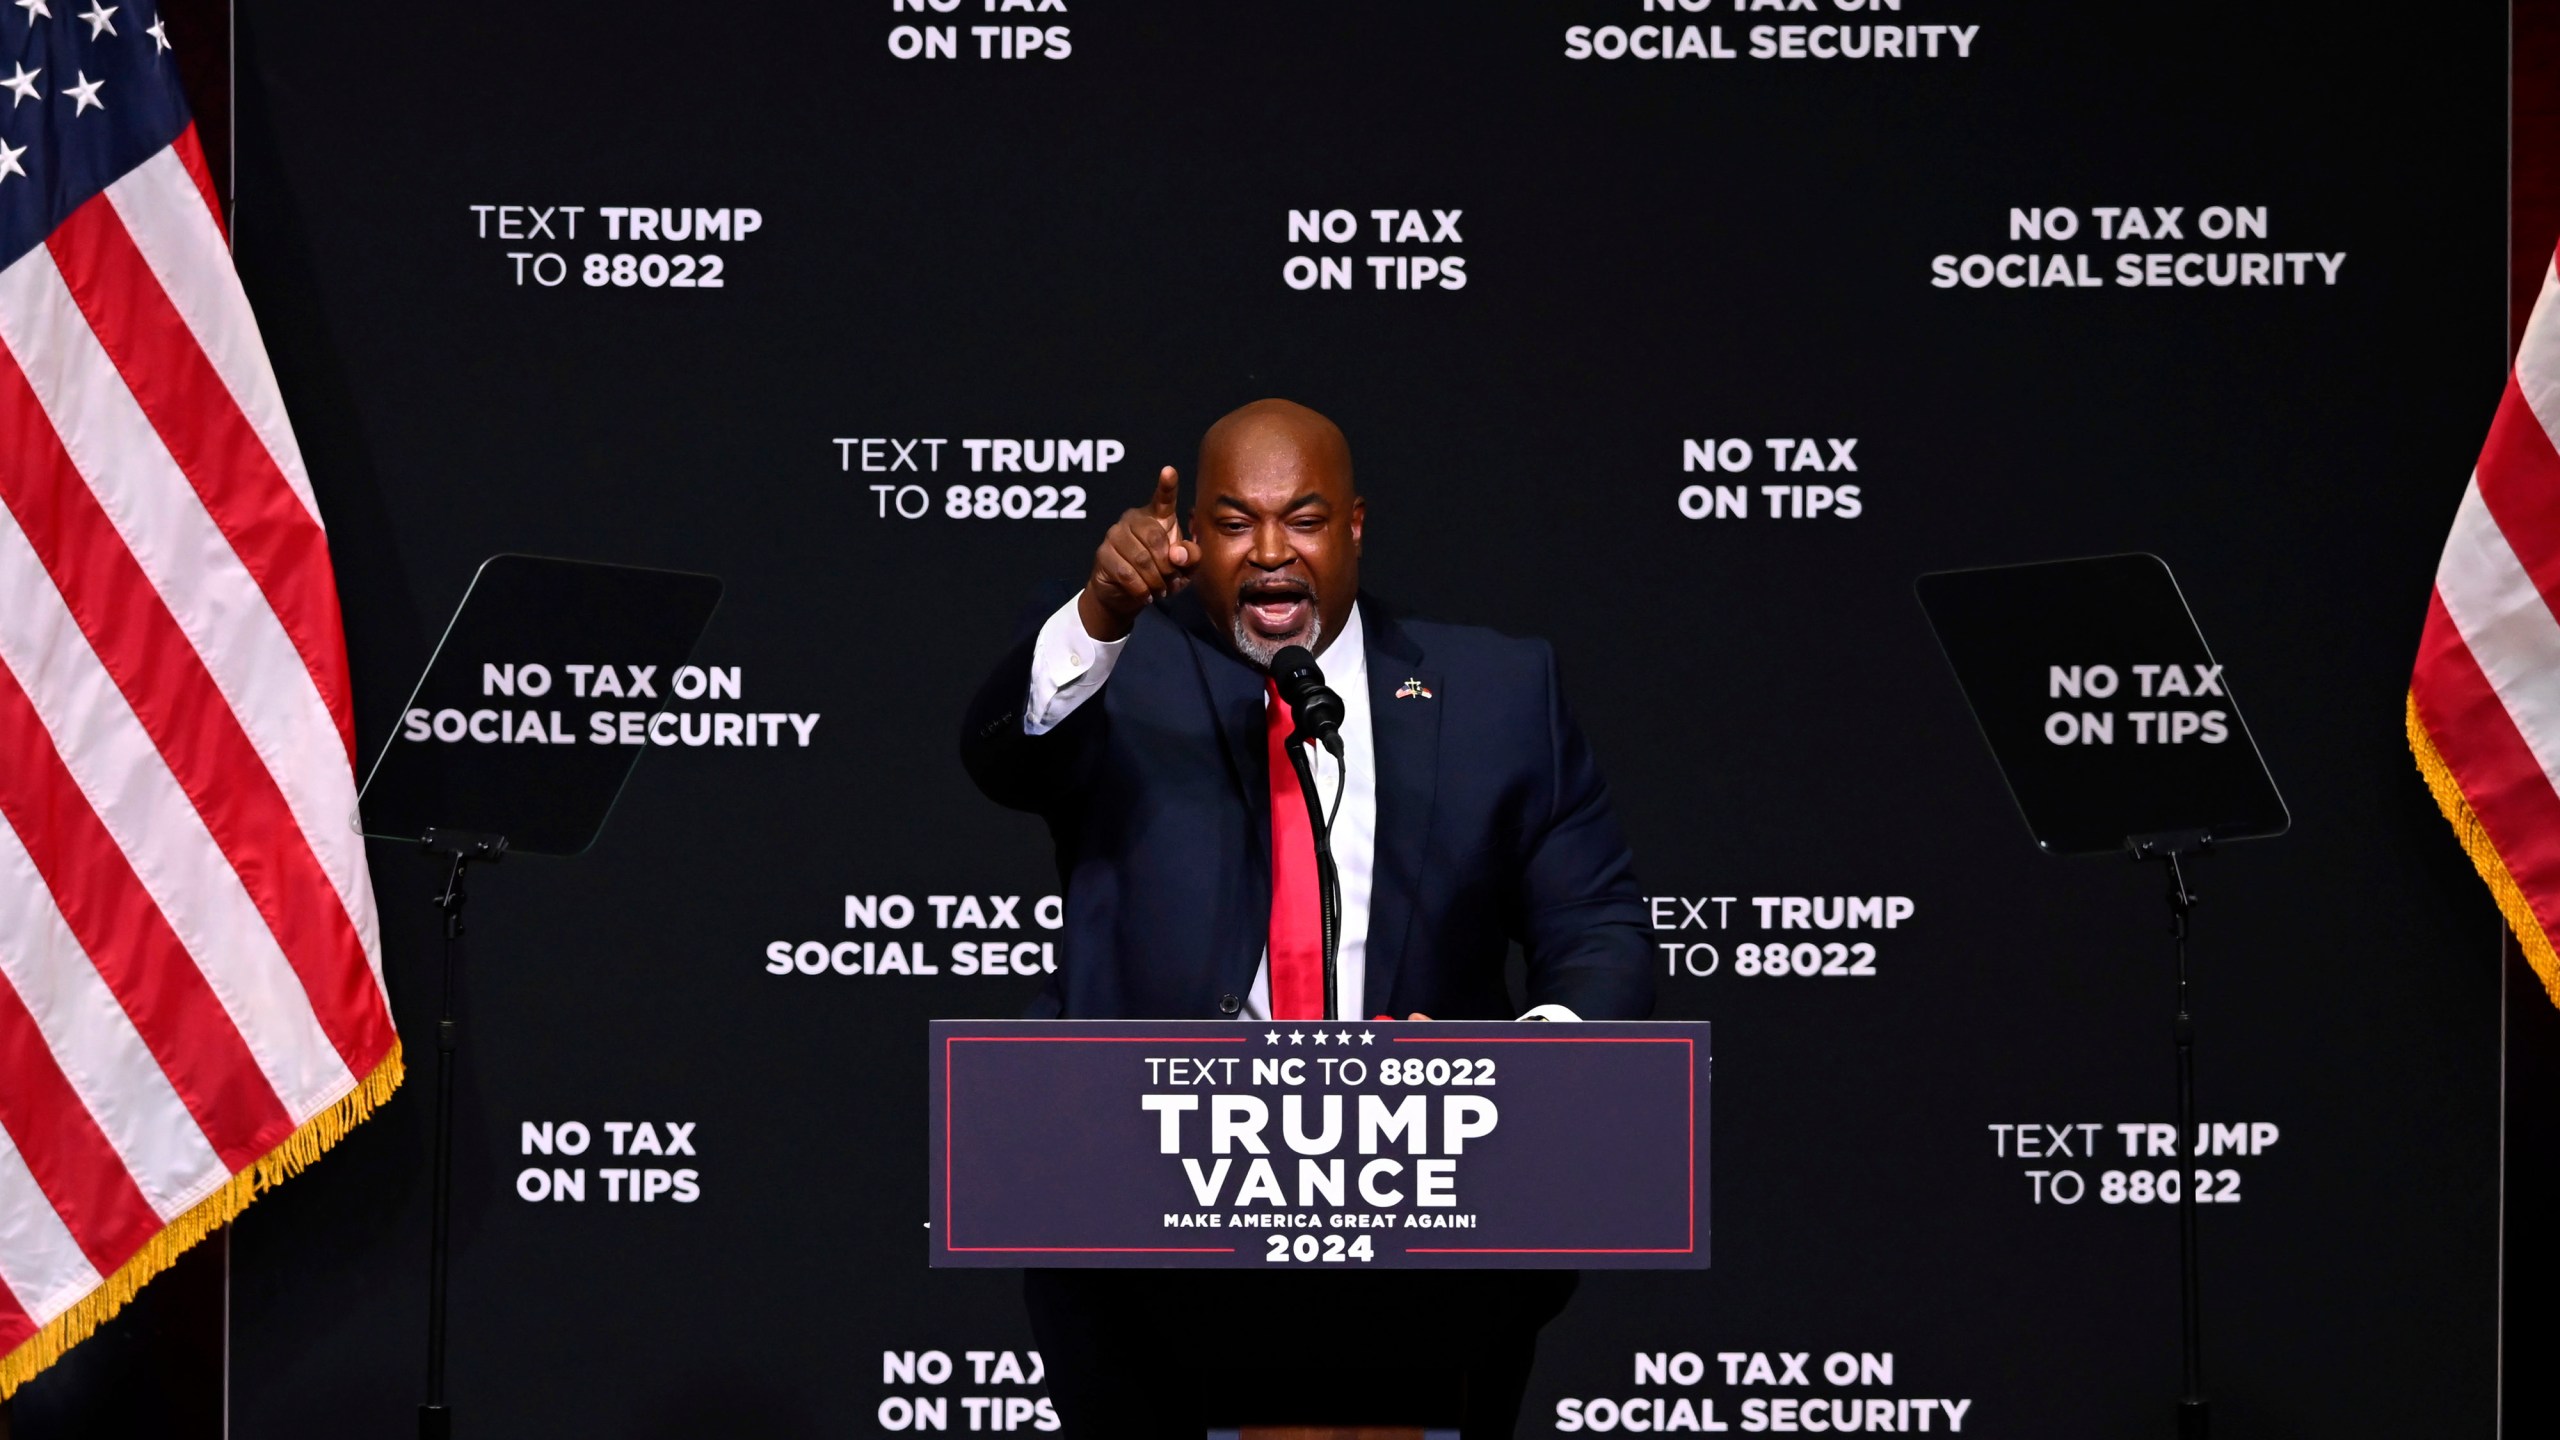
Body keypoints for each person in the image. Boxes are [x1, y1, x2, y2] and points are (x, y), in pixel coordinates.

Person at [958, 398, 1653, 1435]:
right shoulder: (1125, 670)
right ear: (1190, 535)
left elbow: (1598, 924)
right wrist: (1101, 613)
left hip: (1420, 1202)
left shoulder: (1499, 689)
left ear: (1357, 525)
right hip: (1149, 1209)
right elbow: (1002, 755)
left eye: (1305, 519)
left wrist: (1522, 1071)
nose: (1271, 553)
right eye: (1235, 523)